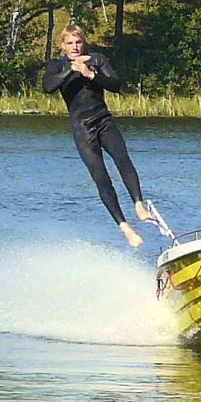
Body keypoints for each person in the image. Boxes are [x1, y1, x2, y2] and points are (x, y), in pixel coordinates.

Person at [43, 24, 150, 248]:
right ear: (63, 45)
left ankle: (138, 203)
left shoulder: (97, 59)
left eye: (78, 42)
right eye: (70, 43)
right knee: (101, 177)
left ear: (84, 43)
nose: (75, 47)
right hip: (82, 128)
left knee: (123, 160)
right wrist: (73, 69)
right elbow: (48, 87)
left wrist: (91, 74)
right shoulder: (57, 65)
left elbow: (116, 84)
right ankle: (125, 226)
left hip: (104, 121)